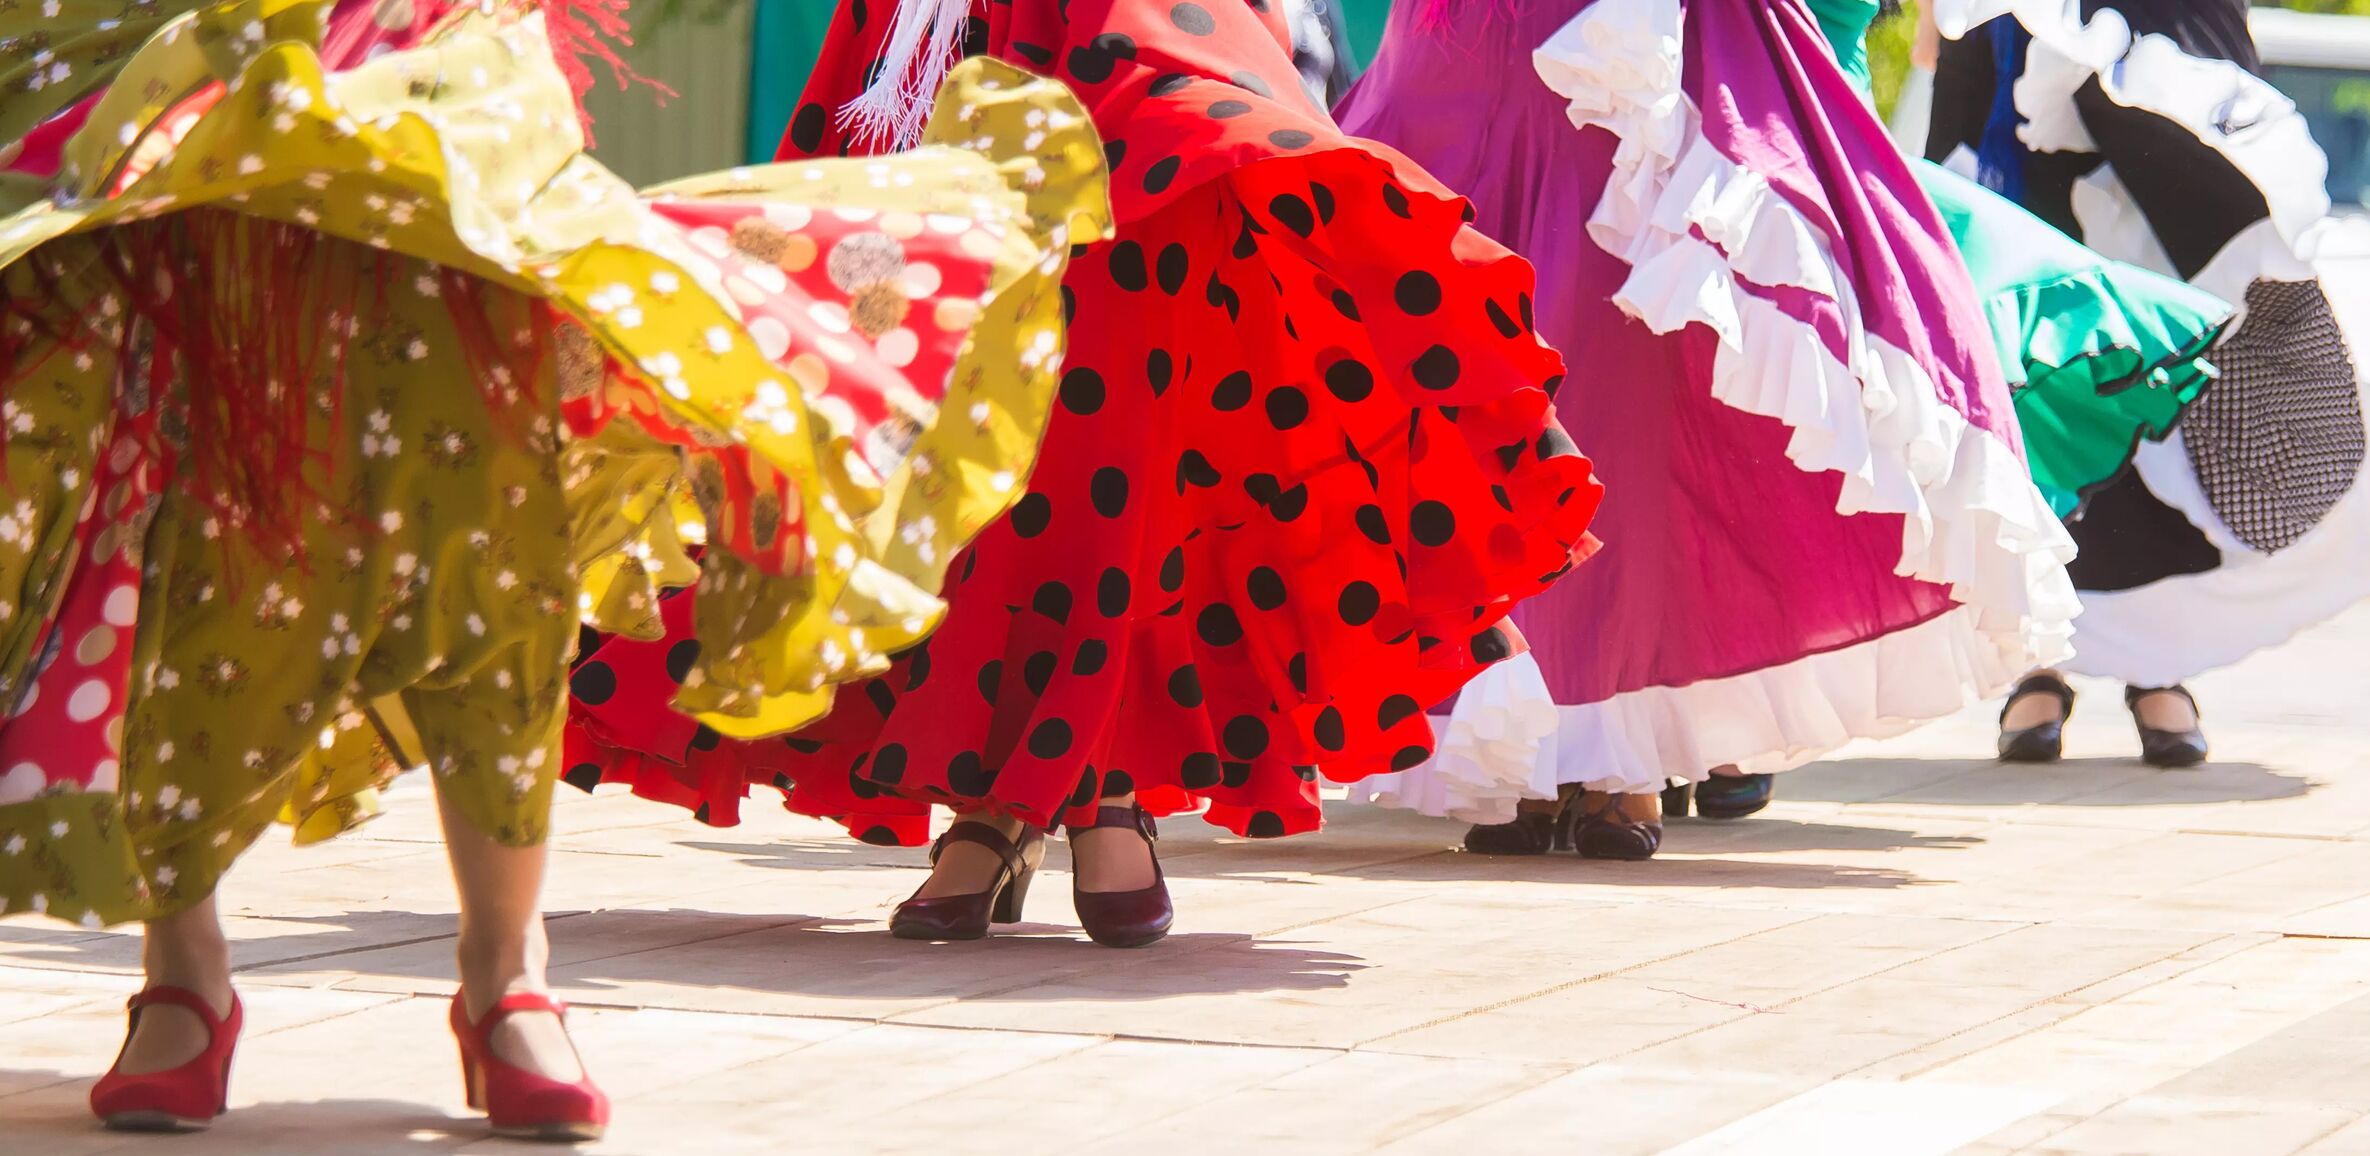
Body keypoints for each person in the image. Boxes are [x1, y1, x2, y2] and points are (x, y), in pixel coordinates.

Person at [0, 0, 1104, 1136]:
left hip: (428, 81)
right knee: (215, 572)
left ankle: (505, 974)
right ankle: (184, 973)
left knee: (487, 561)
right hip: (194, 120)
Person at [564, 0, 1605, 944]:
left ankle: (1097, 790)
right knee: (939, 426)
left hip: (1145, 60)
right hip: (945, 60)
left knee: (1111, 435)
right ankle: (997, 801)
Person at [1338, 0, 2081, 856]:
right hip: (1471, 57)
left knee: (1627, 397)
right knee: (1473, 384)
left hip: (1636, 59)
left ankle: (1620, 762)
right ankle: (1526, 753)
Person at [1930, 0, 2370, 768]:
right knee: (2038, 384)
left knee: (2172, 383)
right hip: (2008, 84)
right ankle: (2038, 661)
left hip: (2162, 72)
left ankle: (2158, 669)